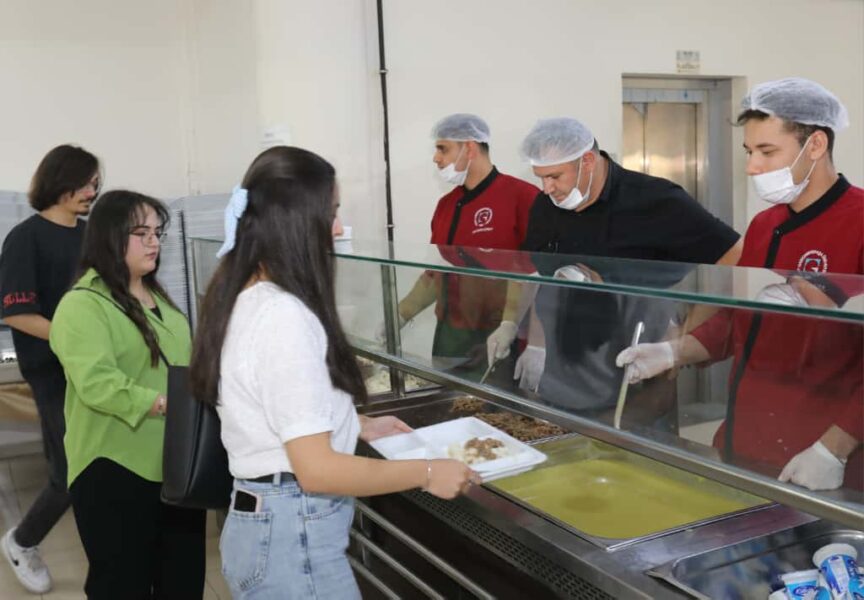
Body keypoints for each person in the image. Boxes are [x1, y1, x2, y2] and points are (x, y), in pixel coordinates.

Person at [190, 146, 478, 599]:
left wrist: (355, 423)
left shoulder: (242, 294)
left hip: (268, 525)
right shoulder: (283, 316)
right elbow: (318, 471)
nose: (339, 228)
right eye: (332, 213)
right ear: (295, 221)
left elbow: (274, 407)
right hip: (292, 533)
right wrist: (426, 472)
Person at [616, 78, 862, 491]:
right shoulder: (766, 225)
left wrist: (834, 448)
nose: (752, 167)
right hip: (747, 438)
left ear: (816, 145)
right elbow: (739, 322)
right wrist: (674, 351)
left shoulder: (858, 222)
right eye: (749, 151)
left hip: (821, 453)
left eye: (767, 151)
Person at [507, 117, 742, 422]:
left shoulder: (656, 201)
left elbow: (735, 257)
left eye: (554, 176)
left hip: (637, 371)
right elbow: (545, 279)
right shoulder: (545, 207)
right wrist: (536, 344)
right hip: (563, 368)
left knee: (629, 445)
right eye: (541, 178)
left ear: (587, 161)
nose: (547, 188)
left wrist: (680, 341)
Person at [49, 191, 206, 598]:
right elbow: (98, 383)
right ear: (110, 237)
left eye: (157, 232)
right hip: (113, 468)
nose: (153, 241)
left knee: (183, 581)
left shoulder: (162, 301)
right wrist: (166, 405)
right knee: (121, 584)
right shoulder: (82, 305)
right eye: (141, 233)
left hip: (175, 467)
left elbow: (185, 367)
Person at [0, 145, 99, 594]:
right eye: (85, 183)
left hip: (94, 366)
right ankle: (22, 541)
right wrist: (73, 339)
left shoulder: (92, 236)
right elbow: (17, 313)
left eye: (96, 183)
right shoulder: (25, 238)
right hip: (52, 370)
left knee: (95, 464)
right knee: (70, 471)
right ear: (59, 182)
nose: (92, 191)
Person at [381, 114, 539, 374]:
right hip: (451, 333)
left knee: (494, 398)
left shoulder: (522, 197)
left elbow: (531, 272)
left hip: (500, 334)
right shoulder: (446, 206)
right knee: (448, 394)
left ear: (470, 148)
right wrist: (401, 314)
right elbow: (436, 272)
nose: (436, 158)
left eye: (443, 149)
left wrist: (509, 325)